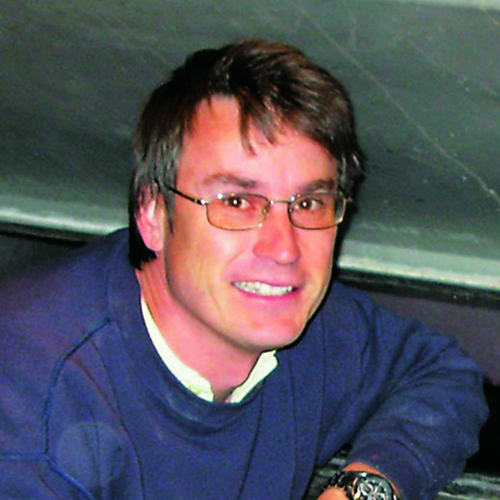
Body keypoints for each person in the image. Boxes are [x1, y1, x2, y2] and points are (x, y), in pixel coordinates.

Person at [0, 39, 487, 500]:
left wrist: (363, 488)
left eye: (309, 203)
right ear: (153, 215)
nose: (283, 249)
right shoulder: (31, 406)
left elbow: (441, 375)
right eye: (236, 202)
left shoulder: (306, 328)